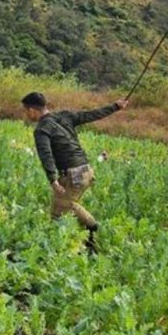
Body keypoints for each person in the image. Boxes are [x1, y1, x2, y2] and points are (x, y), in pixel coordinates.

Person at [21, 92, 129, 251]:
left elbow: (46, 154)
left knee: (61, 210)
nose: (25, 115)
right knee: (61, 207)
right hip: (86, 170)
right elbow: (91, 115)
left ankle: (91, 236)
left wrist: (52, 179)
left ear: (31, 110)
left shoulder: (41, 129)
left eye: (25, 111)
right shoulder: (65, 116)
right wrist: (115, 106)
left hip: (73, 174)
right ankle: (81, 239)